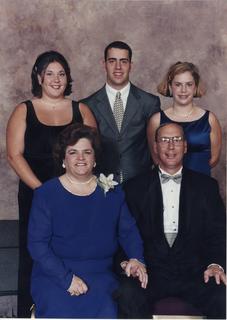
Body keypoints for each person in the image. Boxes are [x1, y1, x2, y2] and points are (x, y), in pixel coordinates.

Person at [6, 50, 97, 317]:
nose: (56, 79)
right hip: (38, 194)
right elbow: (14, 155)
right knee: (34, 252)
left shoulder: (82, 109)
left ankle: (76, 306)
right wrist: (44, 191)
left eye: (61, 73)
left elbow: (94, 153)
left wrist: (76, 191)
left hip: (78, 195)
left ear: (68, 77)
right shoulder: (24, 110)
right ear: (38, 76)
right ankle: (30, 311)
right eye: (49, 74)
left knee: (77, 249)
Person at [27, 123, 148, 318]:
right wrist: (66, 279)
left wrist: (136, 258)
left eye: (87, 152)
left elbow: (128, 231)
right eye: (73, 152)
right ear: (63, 159)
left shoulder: (112, 192)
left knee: (107, 309)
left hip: (100, 275)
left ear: (95, 159)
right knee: (61, 309)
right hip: (55, 276)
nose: (81, 158)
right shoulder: (46, 194)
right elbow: (37, 246)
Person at [116, 123, 226, 319]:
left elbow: (218, 232)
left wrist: (215, 263)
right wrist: (128, 262)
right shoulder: (133, 188)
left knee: (222, 294)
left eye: (176, 140)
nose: (171, 146)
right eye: (165, 140)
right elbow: (123, 234)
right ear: (156, 147)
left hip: (195, 271)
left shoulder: (207, 187)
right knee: (127, 293)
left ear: (185, 146)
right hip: (150, 272)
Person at [81, 41, 160, 183]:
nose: (118, 67)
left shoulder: (149, 102)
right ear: (104, 64)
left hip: (141, 183)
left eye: (123, 61)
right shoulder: (87, 105)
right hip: (100, 185)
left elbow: (156, 147)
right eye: (112, 61)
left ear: (131, 65)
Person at [147, 61, 222, 175]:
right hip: (168, 185)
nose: (183, 90)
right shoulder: (156, 121)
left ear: (195, 86)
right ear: (170, 86)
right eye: (178, 84)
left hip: (201, 183)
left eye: (189, 84)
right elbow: (156, 158)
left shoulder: (210, 119)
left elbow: (214, 159)